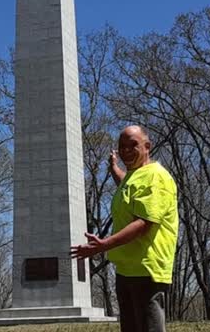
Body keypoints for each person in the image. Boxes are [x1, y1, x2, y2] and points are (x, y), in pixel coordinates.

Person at [70, 125, 178, 332]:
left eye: (133, 145)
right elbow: (127, 189)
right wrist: (114, 169)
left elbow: (144, 223)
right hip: (127, 269)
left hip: (147, 268)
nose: (126, 150)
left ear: (147, 146)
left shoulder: (155, 177)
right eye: (122, 146)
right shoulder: (135, 175)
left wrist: (103, 245)